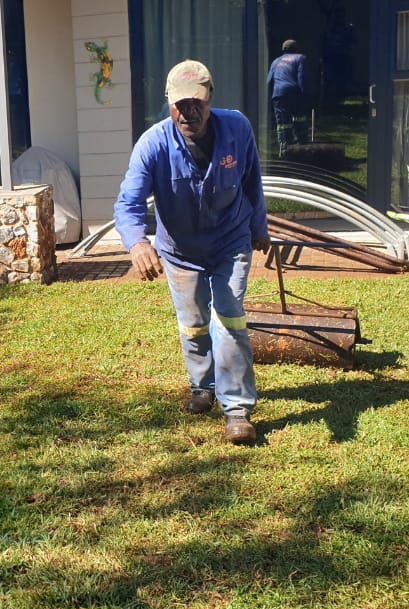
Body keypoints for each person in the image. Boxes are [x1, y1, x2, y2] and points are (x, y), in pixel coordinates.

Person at [113, 60, 270, 444]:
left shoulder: (237, 129)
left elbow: (252, 179)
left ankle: (236, 409)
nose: (189, 111)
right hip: (180, 250)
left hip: (230, 241)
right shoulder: (153, 144)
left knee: (229, 318)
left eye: (197, 102)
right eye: (181, 104)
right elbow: (128, 202)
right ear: (168, 103)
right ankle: (203, 386)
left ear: (210, 98)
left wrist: (259, 227)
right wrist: (136, 242)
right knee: (193, 322)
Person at [266, 39, 308, 156]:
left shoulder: (275, 62)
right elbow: (301, 77)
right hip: (293, 91)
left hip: (278, 94)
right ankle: (302, 145)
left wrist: (272, 97)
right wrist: (303, 93)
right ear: (296, 48)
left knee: (283, 122)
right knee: (299, 117)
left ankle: (284, 149)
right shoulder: (300, 58)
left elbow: (269, 81)